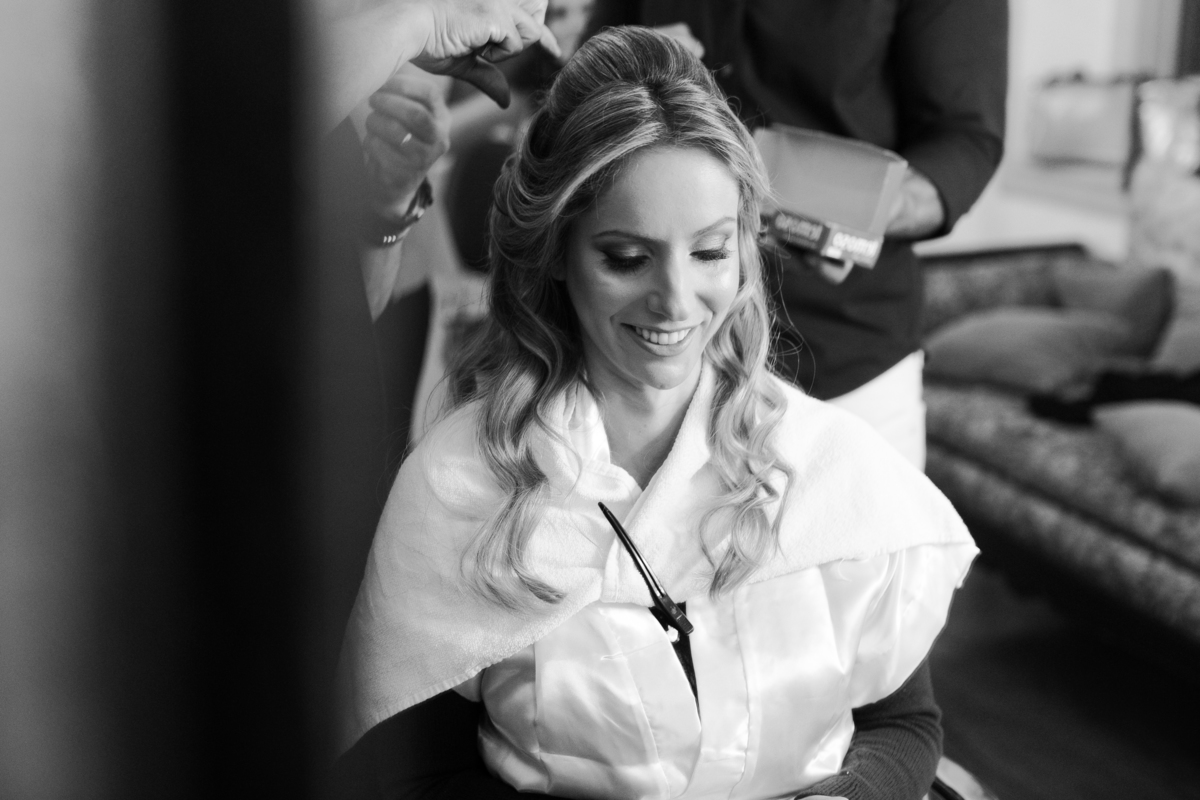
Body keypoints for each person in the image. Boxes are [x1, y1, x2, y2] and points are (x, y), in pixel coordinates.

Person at [333, 27, 978, 800]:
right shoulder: (460, 487)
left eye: (708, 253)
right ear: (557, 254)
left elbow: (902, 723)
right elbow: (415, 769)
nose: (675, 301)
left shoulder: (829, 463)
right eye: (627, 258)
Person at [583, 1, 1009, 469]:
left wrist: (847, 217)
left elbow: (965, 141)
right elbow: (577, 92)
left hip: (843, 357)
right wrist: (622, 71)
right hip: (648, 363)